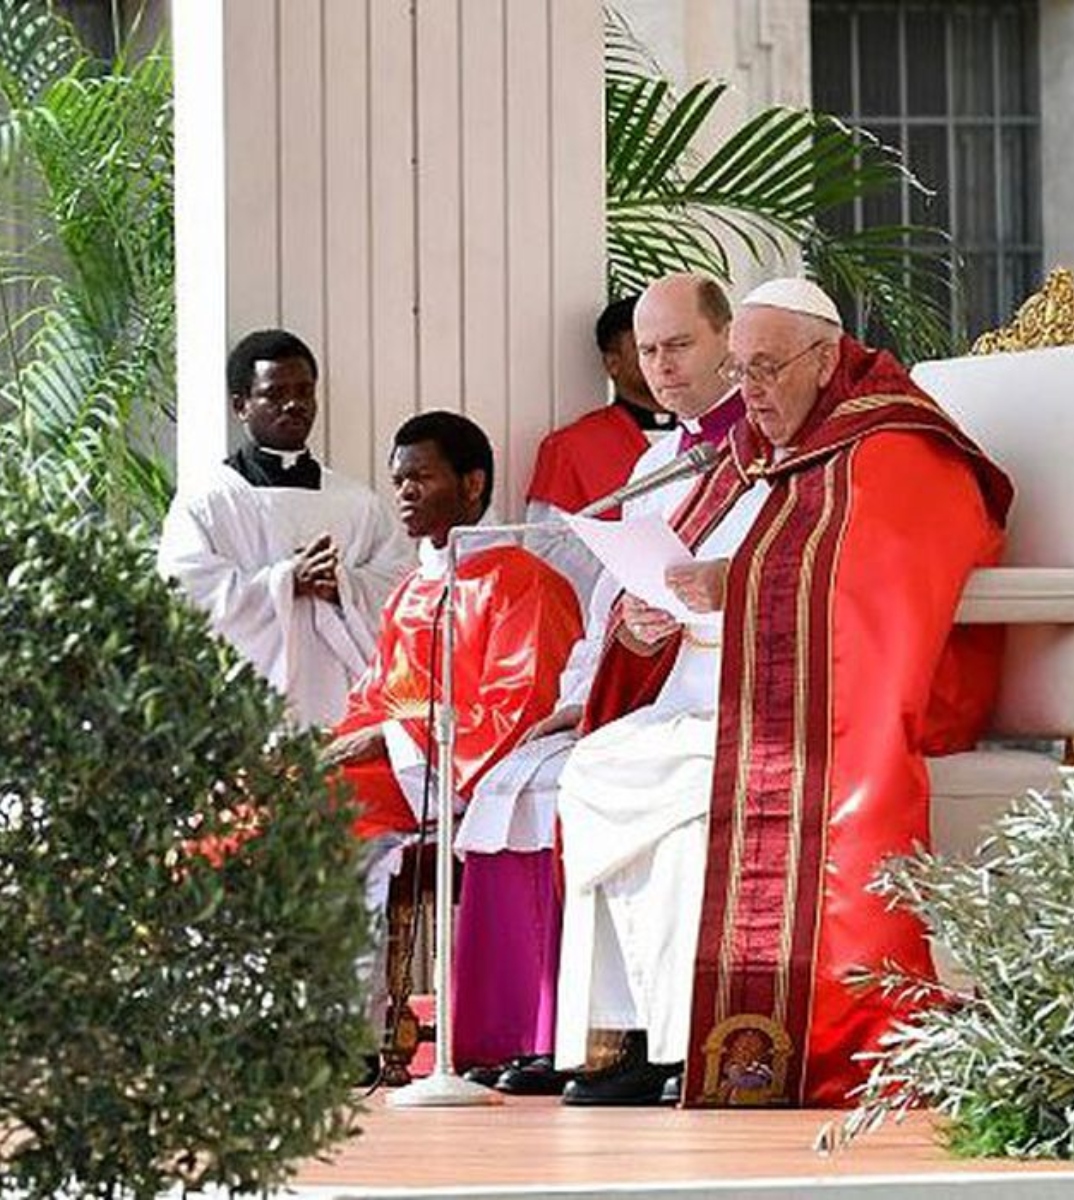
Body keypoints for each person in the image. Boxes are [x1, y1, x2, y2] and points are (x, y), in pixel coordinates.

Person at [552, 277, 1014, 1108]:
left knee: (692, 784)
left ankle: (709, 1037)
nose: (750, 392)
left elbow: (884, 584)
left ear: (825, 357)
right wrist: (645, 622)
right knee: (600, 767)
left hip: (848, 704)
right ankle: (644, 1037)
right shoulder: (752, 451)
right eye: (738, 372)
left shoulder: (897, 444)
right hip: (738, 695)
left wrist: (739, 585)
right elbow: (683, 568)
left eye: (765, 369)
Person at [457, 271, 745, 1092]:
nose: (663, 366)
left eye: (680, 345)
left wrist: (691, 619)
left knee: (613, 781)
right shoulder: (658, 460)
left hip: (727, 692)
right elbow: (613, 596)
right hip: (658, 687)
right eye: (648, 351)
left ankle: (662, 1042)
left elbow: (780, 580)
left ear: (728, 340)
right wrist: (606, 661)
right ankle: (580, 1035)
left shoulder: (760, 455)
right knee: (550, 773)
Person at [324, 411, 582, 1044]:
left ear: (472, 484)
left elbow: (518, 712)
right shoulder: (411, 591)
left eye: (421, 478)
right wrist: (329, 747)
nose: (405, 494)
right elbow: (372, 698)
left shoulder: (525, 582)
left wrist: (386, 739)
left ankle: (342, 1034)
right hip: (401, 769)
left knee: (319, 814)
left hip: (456, 780)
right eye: (398, 481)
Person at [157, 329, 407, 729]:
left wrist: (342, 586)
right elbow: (184, 597)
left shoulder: (357, 503)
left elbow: (401, 593)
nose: (294, 405)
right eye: (274, 394)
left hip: (344, 706)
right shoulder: (208, 501)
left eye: (304, 392)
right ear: (241, 405)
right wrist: (286, 582)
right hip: (247, 711)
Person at [525, 295, 674, 606]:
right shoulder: (569, 447)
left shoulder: (716, 436)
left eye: (673, 345)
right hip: (617, 618)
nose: (663, 360)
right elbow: (545, 552)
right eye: (645, 348)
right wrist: (639, 576)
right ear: (612, 362)